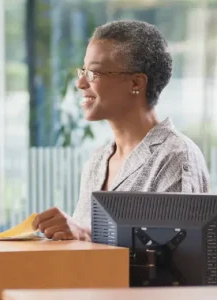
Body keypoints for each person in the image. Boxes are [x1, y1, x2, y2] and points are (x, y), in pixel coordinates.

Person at [32, 20, 210, 242]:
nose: (80, 82)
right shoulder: (98, 161)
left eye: (94, 73)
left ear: (136, 82)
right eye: (83, 70)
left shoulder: (175, 156)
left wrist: (85, 234)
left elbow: (177, 259)